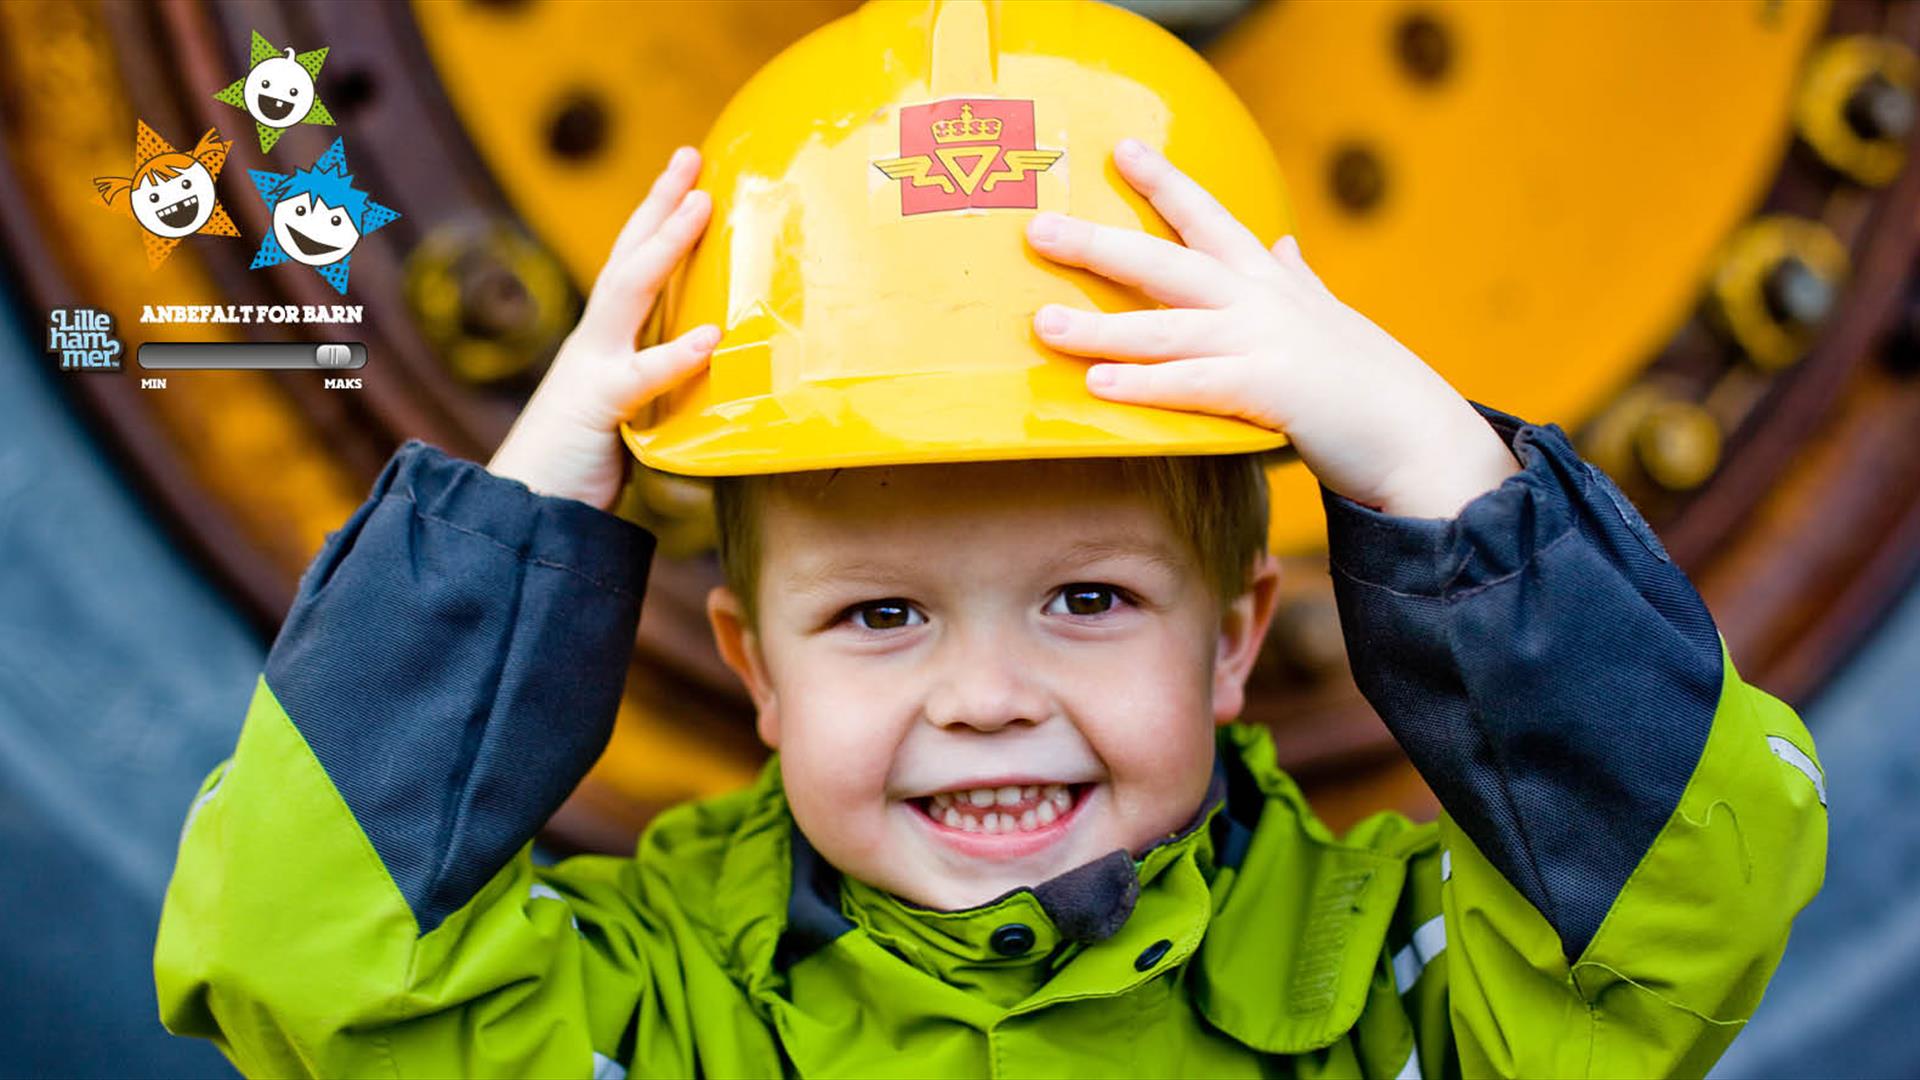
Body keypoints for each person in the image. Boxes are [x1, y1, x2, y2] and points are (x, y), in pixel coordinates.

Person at [154, 3, 1826, 1076]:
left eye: (1088, 598)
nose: (983, 697)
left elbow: (1689, 900)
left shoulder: (1391, 993)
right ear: (755, 672)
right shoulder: (664, 1016)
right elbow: (308, 961)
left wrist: (1438, 470)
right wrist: (524, 513)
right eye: (881, 618)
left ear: (1238, 636)